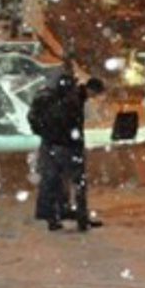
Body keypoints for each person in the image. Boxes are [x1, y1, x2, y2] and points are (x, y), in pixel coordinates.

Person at [29, 69, 91, 232]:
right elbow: (70, 122)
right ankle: (78, 218)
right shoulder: (66, 102)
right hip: (67, 146)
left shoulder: (48, 99)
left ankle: (55, 217)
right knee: (75, 182)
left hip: (55, 145)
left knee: (55, 183)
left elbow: (38, 122)